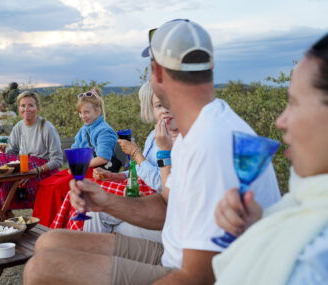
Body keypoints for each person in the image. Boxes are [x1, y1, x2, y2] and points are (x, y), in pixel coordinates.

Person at [23, 19, 281, 285]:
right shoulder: (189, 129)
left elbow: (199, 276)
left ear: (156, 73)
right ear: (211, 68)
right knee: (49, 242)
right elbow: (168, 206)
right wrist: (105, 201)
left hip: (188, 271)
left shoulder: (213, 143)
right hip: (171, 254)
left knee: (41, 270)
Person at [212, 34, 328, 285]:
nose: (280, 121)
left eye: (294, 103)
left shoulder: (311, 263)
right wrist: (258, 226)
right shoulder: (306, 203)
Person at [82, 80, 178, 242]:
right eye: (158, 106)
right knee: (91, 205)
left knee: (99, 215)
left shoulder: (183, 141)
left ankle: (91, 255)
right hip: (145, 197)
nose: (164, 111)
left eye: (169, 103)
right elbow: (143, 169)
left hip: (161, 209)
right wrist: (119, 176)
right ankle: (90, 255)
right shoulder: (153, 135)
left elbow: (164, 186)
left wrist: (136, 154)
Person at [0, 91, 63, 224]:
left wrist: (35, 171)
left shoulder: (46, 128)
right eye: (23, 106)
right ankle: (1, 209)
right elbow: (13, 152)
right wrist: (5, 152)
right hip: (23, 167)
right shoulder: (18, 127)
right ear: (19, 108)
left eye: (30, 105)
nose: (26, 109)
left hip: (41, 171)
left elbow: (57, 160)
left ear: (38, 108)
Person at [32, 87, 118, 227]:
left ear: (98, 110)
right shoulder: (84, 129)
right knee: (45, 185)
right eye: (80, 112)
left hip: (96, 171)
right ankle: (41, 226)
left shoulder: (104, 130)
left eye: (87, 112)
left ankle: (56, 226)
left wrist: (79, 166)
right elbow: (75, 150)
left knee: (56, 188)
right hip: (82, 168)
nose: (83, 116)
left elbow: (102, 158)